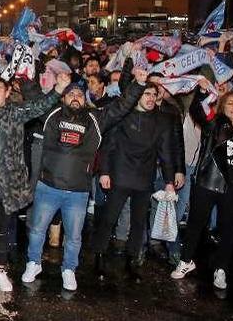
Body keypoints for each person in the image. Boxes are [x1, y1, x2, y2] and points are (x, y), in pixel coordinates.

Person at [21, 66, 147, 292]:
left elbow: (121, 107)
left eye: (79, 94)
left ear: (85, 98)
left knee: (74, 237)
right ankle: (33, 263)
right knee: (38, 229)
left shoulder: (96, 118)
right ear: (63, 97)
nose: (75, 97)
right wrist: (24, 74)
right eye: (70, 94)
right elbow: (32, 96)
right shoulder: (51, 112)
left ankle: (69, 269)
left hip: (78, 192)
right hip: (48, 186)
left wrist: (137, 85)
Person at [0, 74, 64, 292]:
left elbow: (40, 105)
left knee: (2, 229)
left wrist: (58, 89)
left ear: (6, 92)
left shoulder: (15, 112)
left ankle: (0, 270)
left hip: (7, 185)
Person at [172, 88, 233, 289]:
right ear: (223, 105)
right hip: (207, 182)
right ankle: (186, 261)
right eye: (230, 103)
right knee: (195, 224)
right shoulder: (214, 124)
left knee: (228, 229)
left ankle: (221, 269)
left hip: (231, 188)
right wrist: (203, 92)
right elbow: (197, 110)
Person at [92, 83, 178, 282]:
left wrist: (169, 181)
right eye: (146, 93)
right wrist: (104, 172)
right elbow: (108, 145)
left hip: (144, 177)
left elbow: (166, 152)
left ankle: (131, 261)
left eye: (153, 94)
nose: (150, 98)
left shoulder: (161, 121)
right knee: (109, 219)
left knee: (139, 223)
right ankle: (99, 256)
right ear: (137, 95)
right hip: (120, 174)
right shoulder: (123, 116)